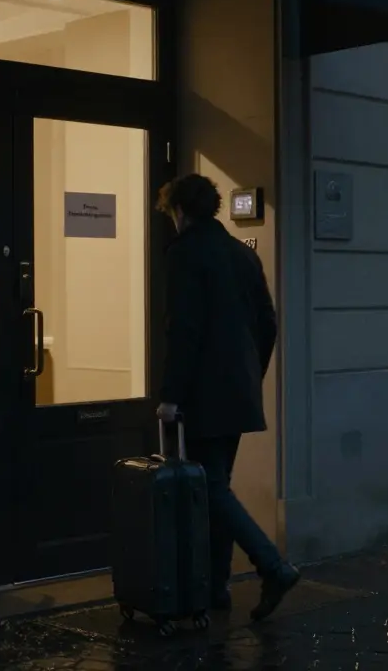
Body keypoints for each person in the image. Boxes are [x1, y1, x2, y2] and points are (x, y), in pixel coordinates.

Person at [153, 173, 300, 621]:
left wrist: (171, 396)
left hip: (202, 394)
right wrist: (250, 374)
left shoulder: (185, 255)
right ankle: (216, 589)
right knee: (216, 487)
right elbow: (269, 324)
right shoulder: (242, 254)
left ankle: (271, 566)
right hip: (237, 392)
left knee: (211, 488)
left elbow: (185, 331)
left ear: (179, 210)